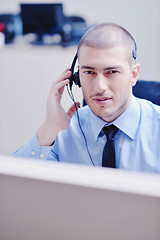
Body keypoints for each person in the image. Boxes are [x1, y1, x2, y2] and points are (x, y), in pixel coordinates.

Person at [12, 23, 160, 173]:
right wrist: (49, 129)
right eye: (89, 72)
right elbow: (10, 184)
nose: (99, 87)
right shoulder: (64, 131)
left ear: (133, 75)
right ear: (76, 77)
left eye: (112, 72)